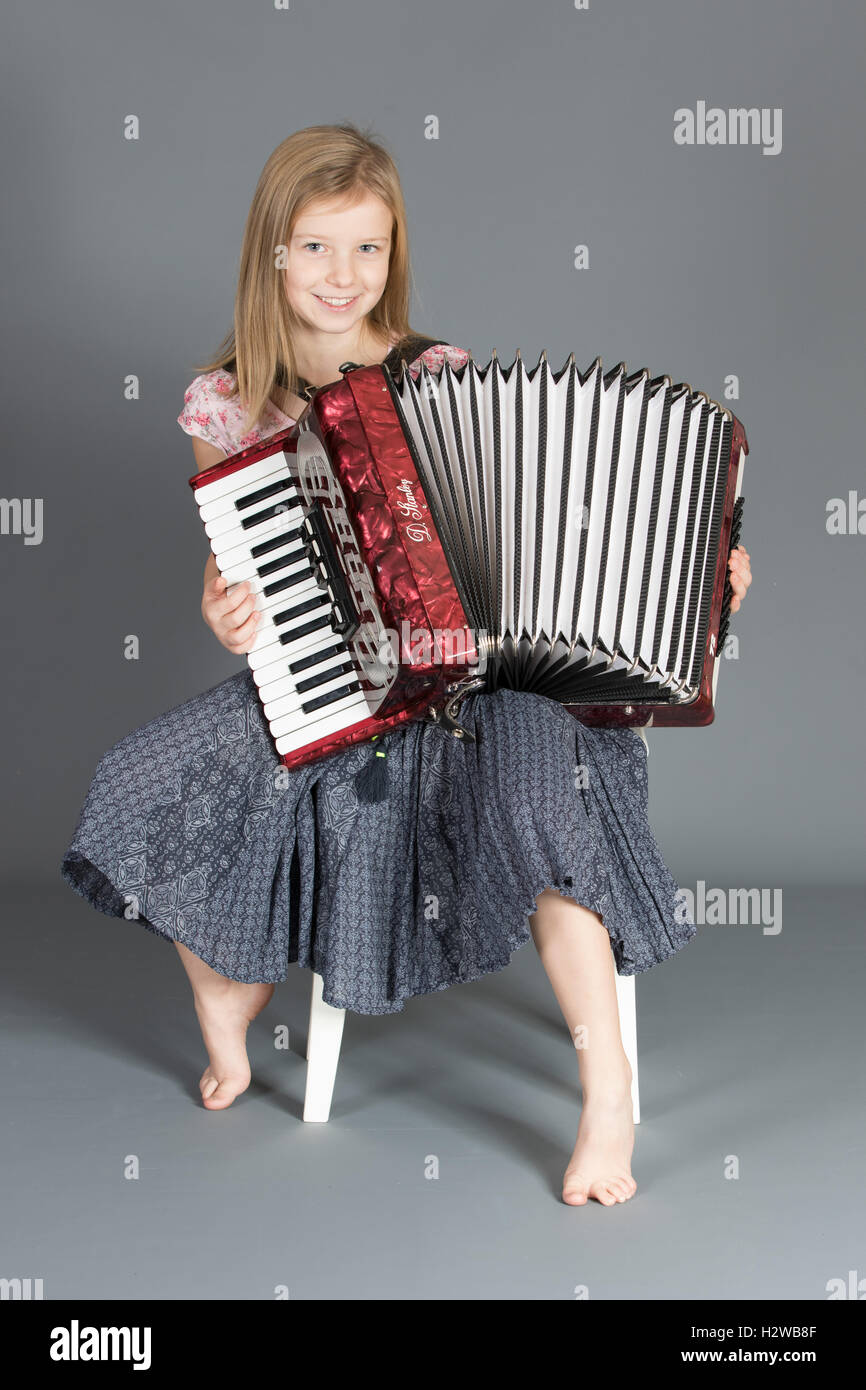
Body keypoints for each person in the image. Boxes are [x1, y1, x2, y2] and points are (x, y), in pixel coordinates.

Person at [60, 123, 752, 1207]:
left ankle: (603, 1087)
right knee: (141, 774)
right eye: (316, 248)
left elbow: (550, 544)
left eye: (367, 250)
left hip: (484, 686)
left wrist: (699, 573)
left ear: (394, 254)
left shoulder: (435, 375)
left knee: (536, 782)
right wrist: (224, 608)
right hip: (342, 685)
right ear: (271, 255)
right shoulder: (225, 400)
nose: (342, 277)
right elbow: (234, 577)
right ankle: (226, 989)